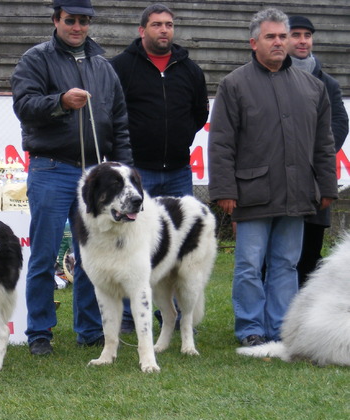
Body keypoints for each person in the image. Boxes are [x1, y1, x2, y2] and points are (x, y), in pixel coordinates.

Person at [208, 8, 337, 347]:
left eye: (283, 36)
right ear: (254, 43)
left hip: (297, 193)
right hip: (251, 193)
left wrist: (326, 186)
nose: (279, 42)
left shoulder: (312, 87)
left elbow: (324, 143)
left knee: (286, 264)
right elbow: (221, 142)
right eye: (271, 37)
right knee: (249, 265)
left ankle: (281, 327)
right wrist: (224, 190)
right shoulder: (233, 85)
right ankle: (250, 328)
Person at [11, 0, 132, 356]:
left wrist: (125, 174)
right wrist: (61, 101)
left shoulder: (103, 67)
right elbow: (24, 105)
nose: (77, 27)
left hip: (95, 174)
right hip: (51, 168)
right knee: (45, 254)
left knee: (91, 255)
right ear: (56, 21)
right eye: (70, 20)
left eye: (83, 21)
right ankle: (39, 333)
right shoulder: (35, 59)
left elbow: (120, 122)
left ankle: (90, 330)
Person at [109, 3, 209, 332]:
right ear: (142, 31)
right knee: (132, 244)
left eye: (168, 24)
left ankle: (178, 319)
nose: (164, 30)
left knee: (176, 246)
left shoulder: (190, 70)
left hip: (178, 168)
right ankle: (127, 318)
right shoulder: (122, 67)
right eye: (156, 25)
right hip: (139, 174)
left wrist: (176, 137)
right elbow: (112, 113)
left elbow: (199, 115)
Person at [286, 15, 349, 286]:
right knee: (277, 256)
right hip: (279, 181)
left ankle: (304, 314)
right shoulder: (270, 77)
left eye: (307, 35)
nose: (302, 41)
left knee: (309, 255)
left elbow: (339, 125)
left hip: (314, 181)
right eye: (296, 34)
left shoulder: (329, 84)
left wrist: (311, 155)